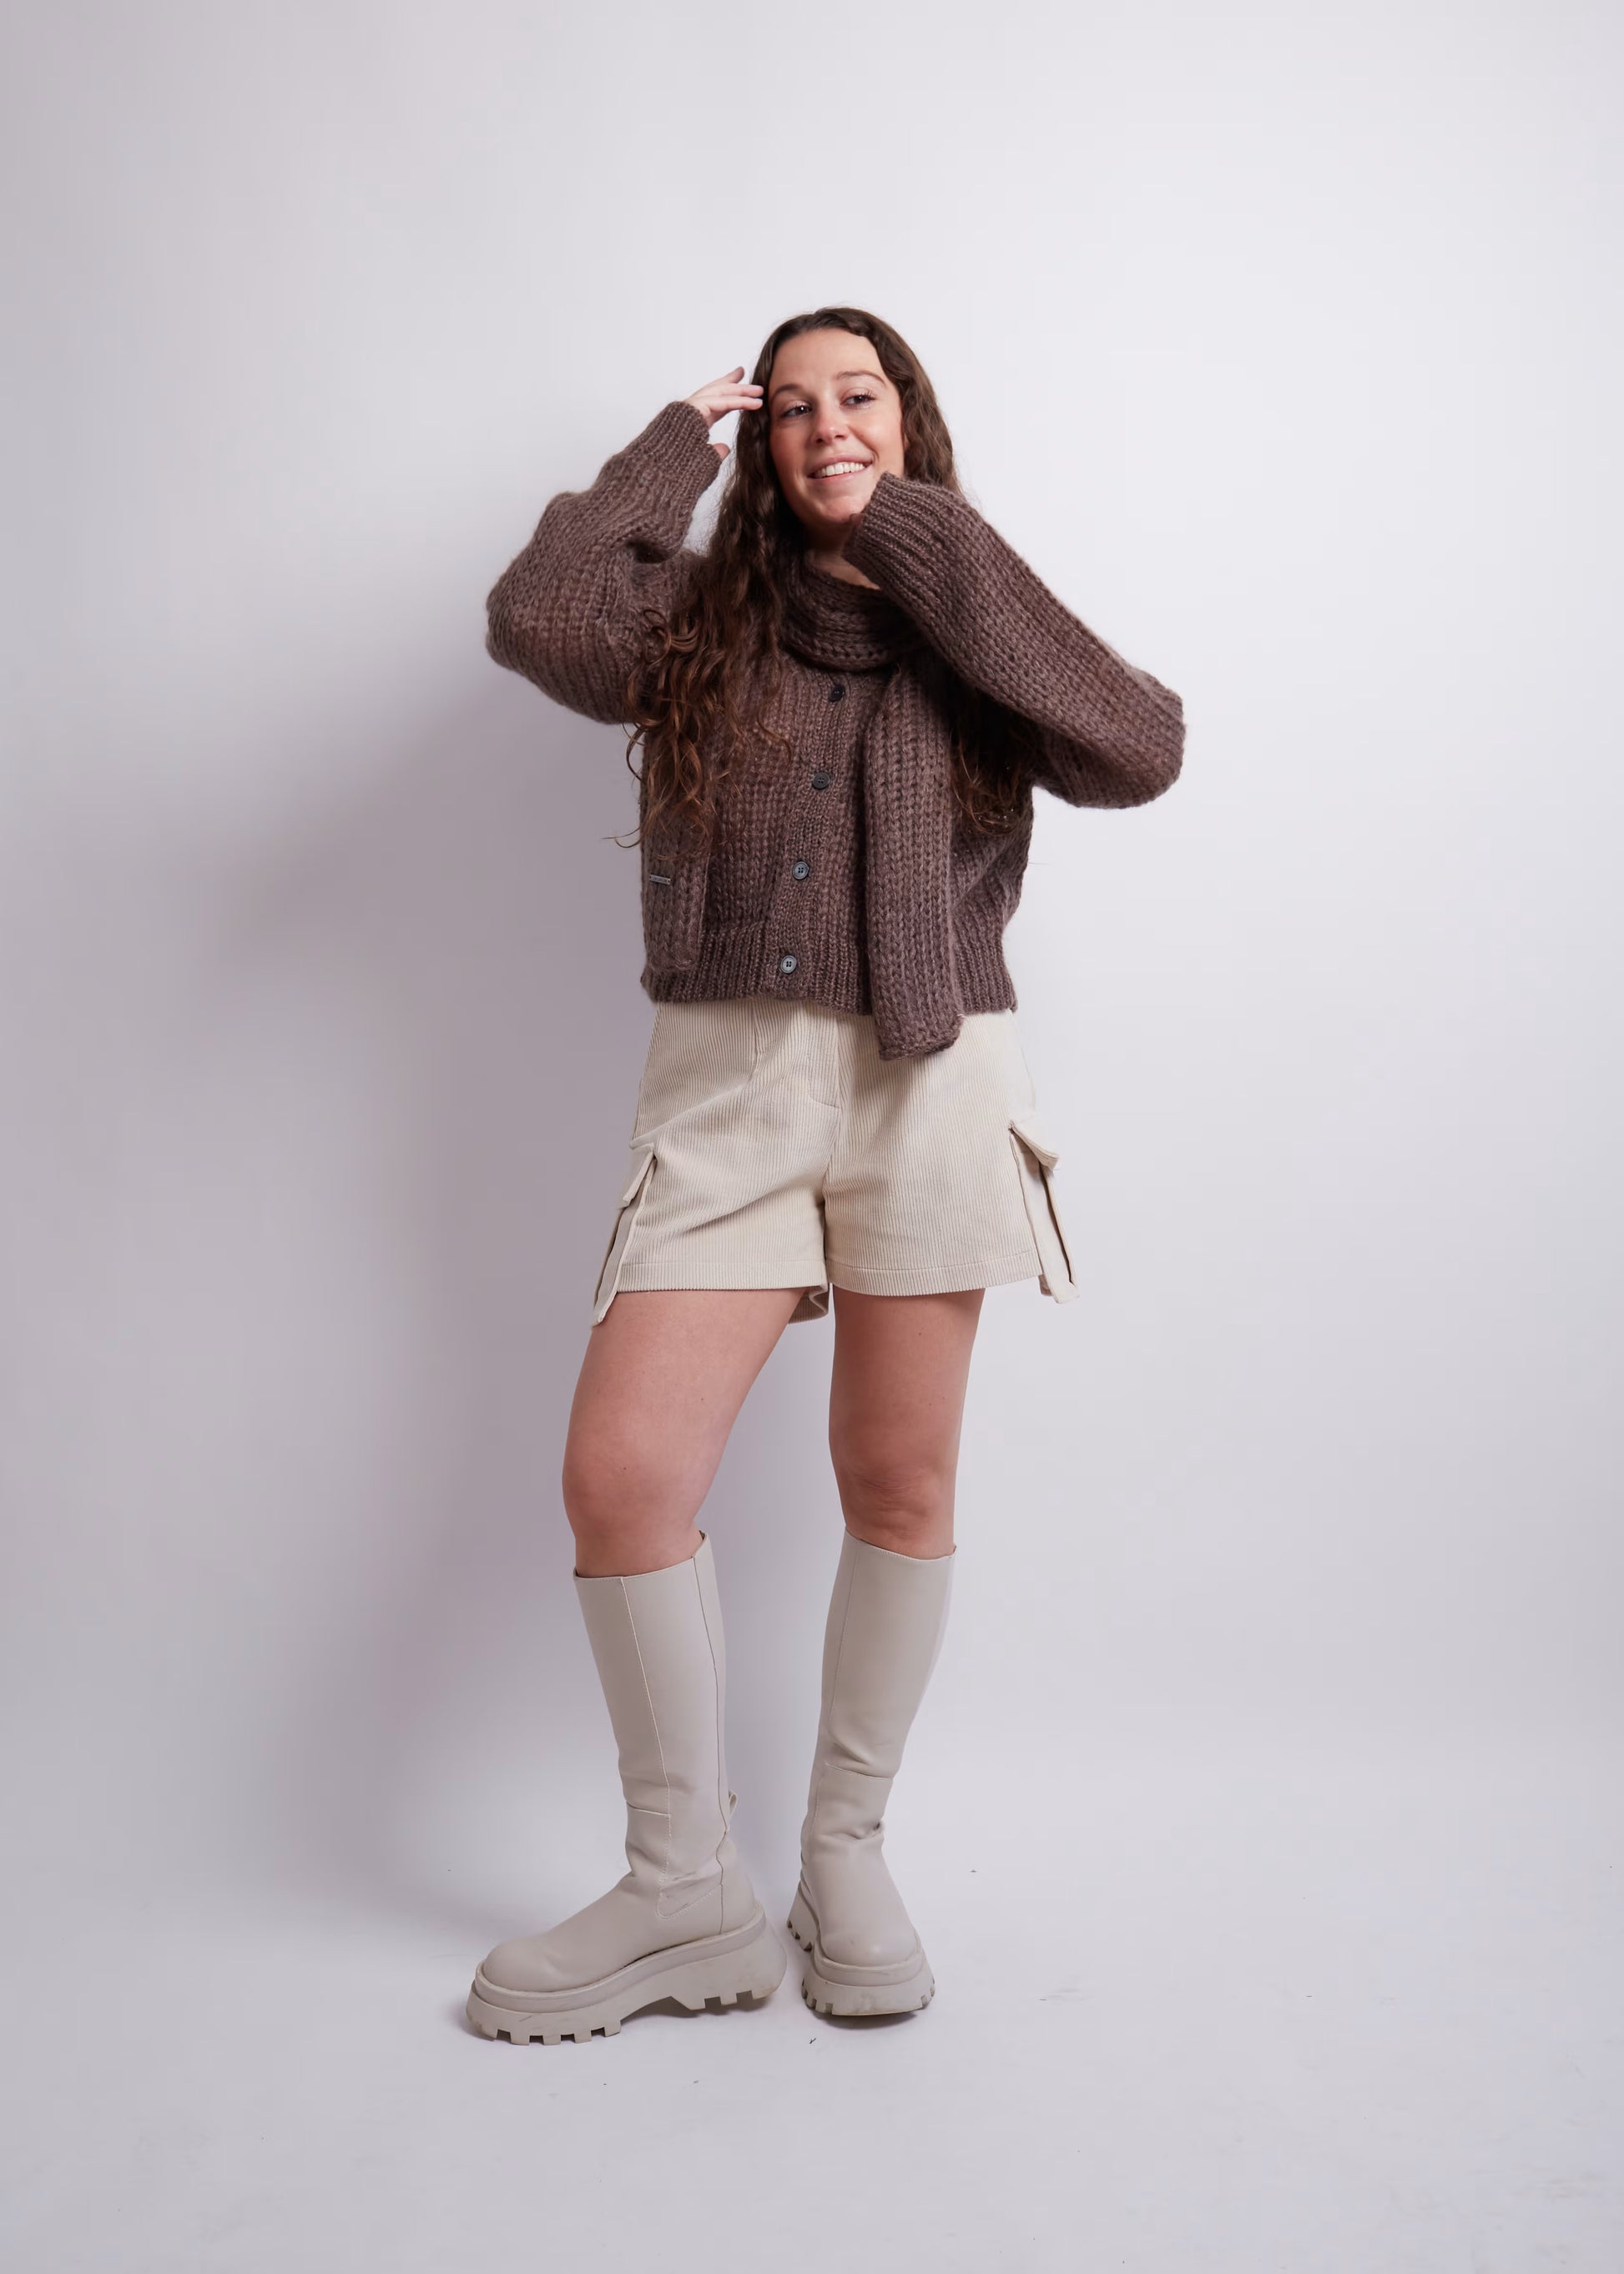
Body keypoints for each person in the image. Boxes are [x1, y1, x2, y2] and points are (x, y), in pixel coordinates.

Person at [464, 307, 1184, 2045]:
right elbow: (538, 615)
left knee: (896, 1476)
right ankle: (680, 1887)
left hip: (931, 1079)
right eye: (790, 406)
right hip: (727, 1090)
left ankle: (844, 1851)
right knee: (622, 1476)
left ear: (908, 417)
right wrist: (668, 447)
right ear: (762, 445)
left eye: (855, 395)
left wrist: (924, 535)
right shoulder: (700, 622)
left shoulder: (972, 622)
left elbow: (1138, 744)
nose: (822, 425)